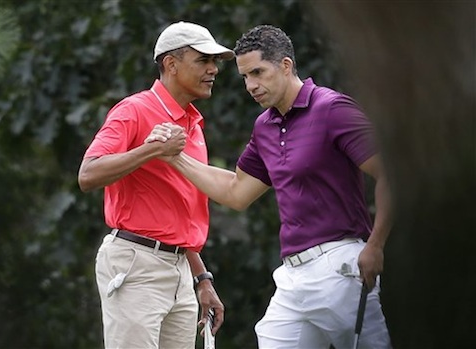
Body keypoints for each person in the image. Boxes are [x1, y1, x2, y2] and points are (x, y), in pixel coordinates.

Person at [150, 25, 393, 348]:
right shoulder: (265, 126)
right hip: (292, 276)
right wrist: (173, 158)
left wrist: (375, 245)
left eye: (258, 73)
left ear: (286, 66)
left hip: (341, 267)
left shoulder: (331, 109)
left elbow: (391, 175)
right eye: (245, 77)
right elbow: (237, 192)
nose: (251, 85)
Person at [77, 21, 234, 349]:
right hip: (135, 263)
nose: (213, 70)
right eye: (203, 60)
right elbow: (88, 174)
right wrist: (152, 149)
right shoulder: (134, 110)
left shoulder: (193, 124)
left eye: (215, 62)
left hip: (179, 269)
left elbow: (179, 212)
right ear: (171, 64)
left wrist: (201, 277)